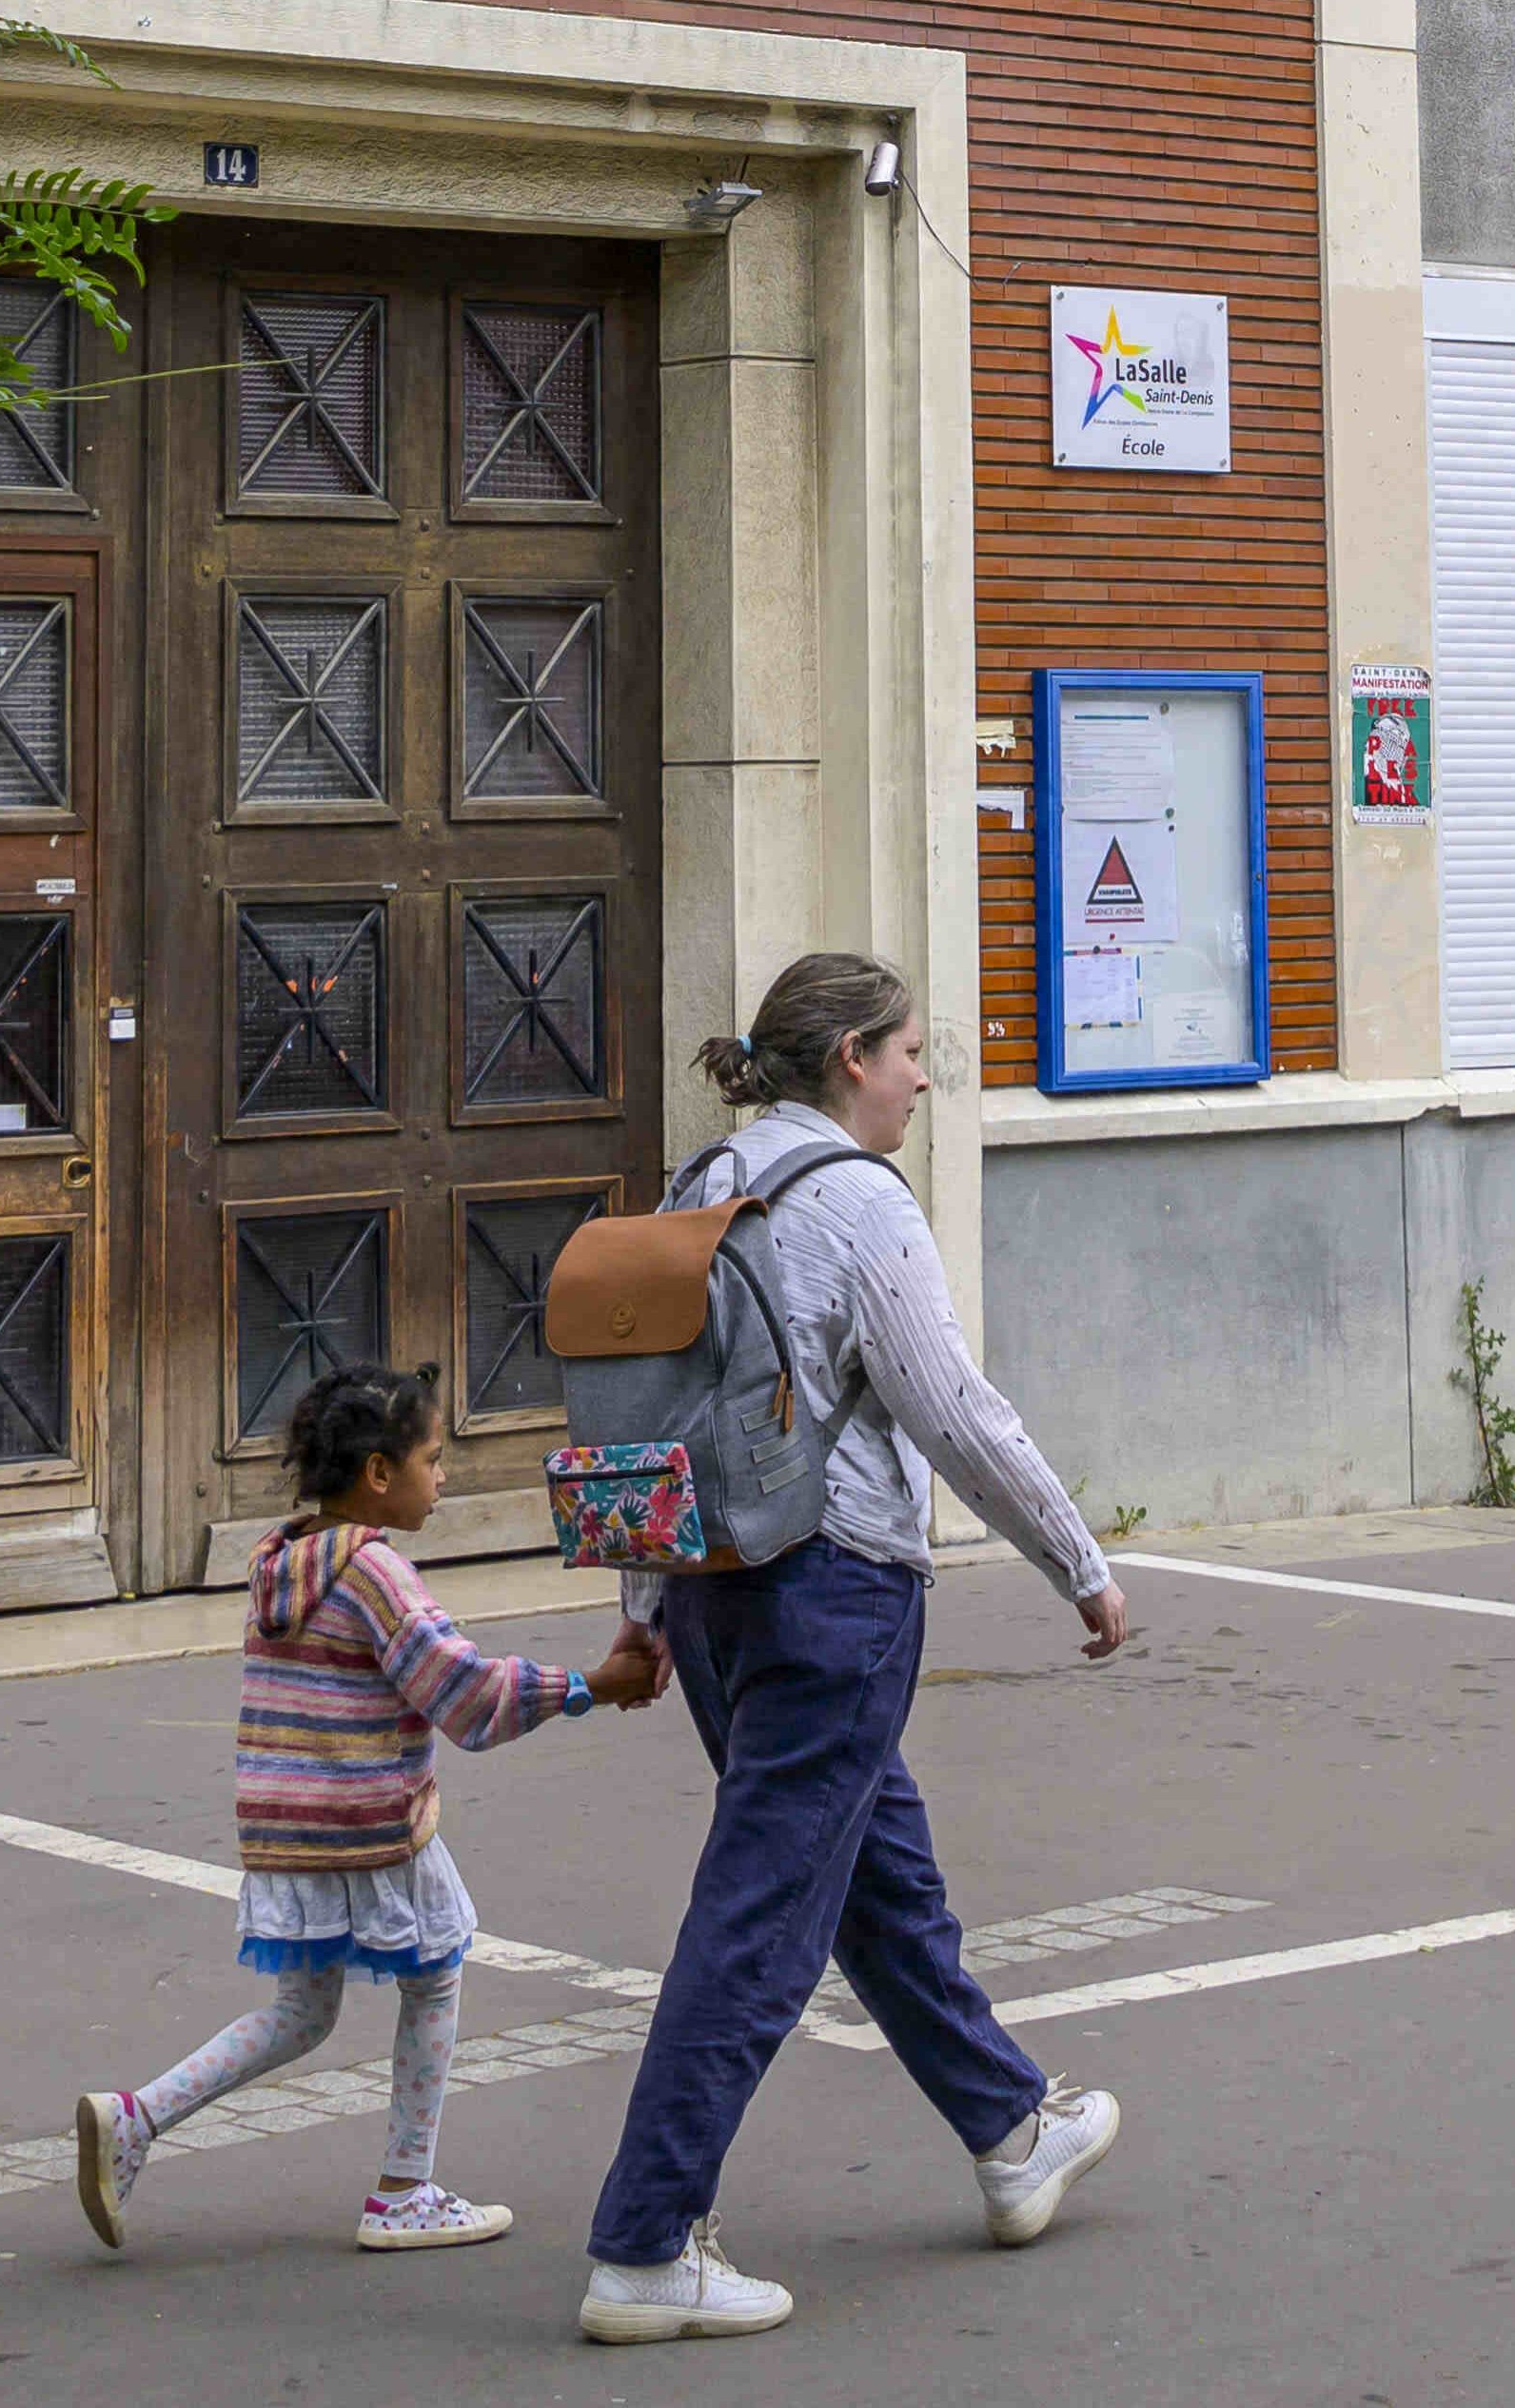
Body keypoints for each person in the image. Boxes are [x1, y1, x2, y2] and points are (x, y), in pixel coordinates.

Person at [577, 952, 1134, 2348]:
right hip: (836, 1591)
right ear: (849, 1062)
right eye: (909, 1053)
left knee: (876, 1882)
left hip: (713, 1593)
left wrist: (645, 1603)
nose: (924, 1080)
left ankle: (1012, 2132)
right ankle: (645, 2245)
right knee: (761, 1917)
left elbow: (658, 1414)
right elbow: (952, 1409)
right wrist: (1078, 1559)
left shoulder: (705, 1179)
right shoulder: (859, 1202)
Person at [77, 1361, 656, 2260]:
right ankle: (404, 2190)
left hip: (287, 1828)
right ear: (379, 1473)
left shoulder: (280, 1560)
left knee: (304, 2012)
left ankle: (136, 2117)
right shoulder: (376, 1572)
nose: (443, 1477)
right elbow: (463, 1695)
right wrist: (592, 1685)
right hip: (370, 1820)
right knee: (438, 1971)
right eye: (432, 1458)